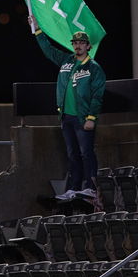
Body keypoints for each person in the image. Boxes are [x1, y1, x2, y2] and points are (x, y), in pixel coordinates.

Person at [28, 15, 106, 200]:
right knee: (72, 154)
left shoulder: (94, 68)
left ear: (88, 46)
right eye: (75, 43)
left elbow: (97, 95)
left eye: (81, 43)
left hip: (83, 118)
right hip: (66, 117)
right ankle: (74, 187)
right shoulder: (67, 61)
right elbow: (48, 50)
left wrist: (91, 118)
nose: (77, 45)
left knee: (86, 153)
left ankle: (91, 187)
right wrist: (37, 29)